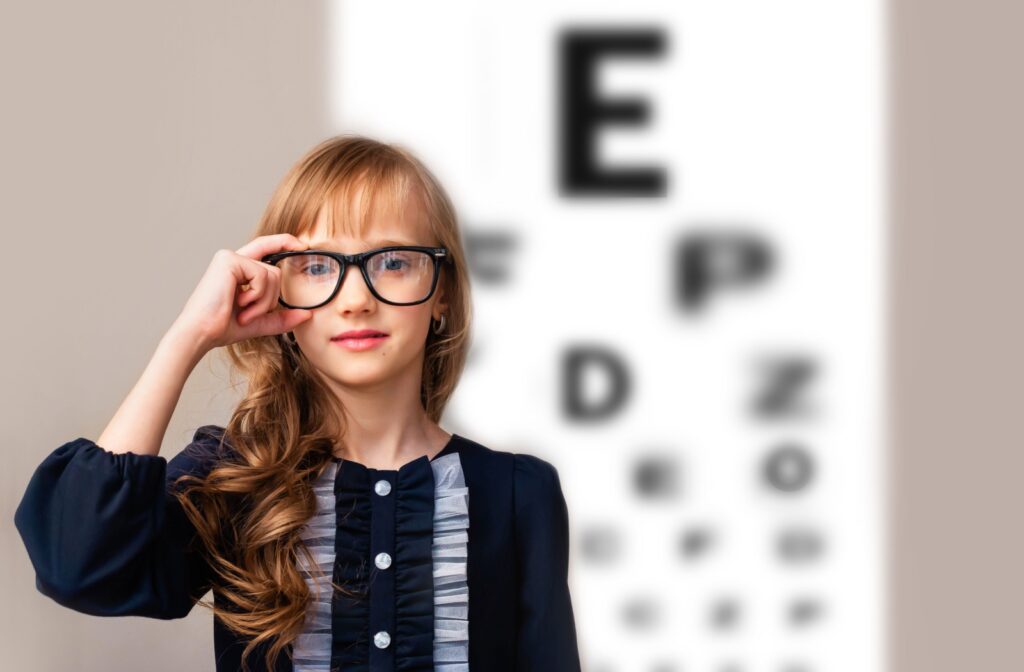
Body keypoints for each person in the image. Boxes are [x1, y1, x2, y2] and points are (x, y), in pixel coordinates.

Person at [13, 135, 582, 672]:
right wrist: (189, 335)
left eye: (394, 261)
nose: (356, 300)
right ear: (275, 290)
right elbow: (78, 564)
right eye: (317, 267)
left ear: (443, 296)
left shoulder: (519, 495)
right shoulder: (236, 476)